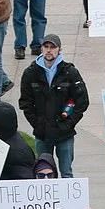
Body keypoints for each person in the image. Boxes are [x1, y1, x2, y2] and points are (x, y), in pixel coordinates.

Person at [19, 34, 89, 179]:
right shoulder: (30, 73)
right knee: (43, 175)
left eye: (53, 47)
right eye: (46, 47)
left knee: (66, 174)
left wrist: (69, 124)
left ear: (59, 50)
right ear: (41, 49)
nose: (49, 50)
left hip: (65, 134)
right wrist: (37, 124)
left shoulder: (70, 72)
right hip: (42, 134)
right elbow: (25, 103)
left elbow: (82, 101)